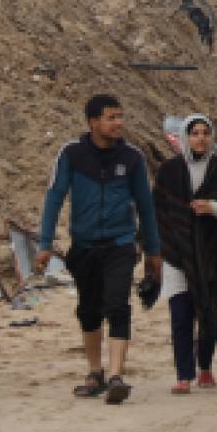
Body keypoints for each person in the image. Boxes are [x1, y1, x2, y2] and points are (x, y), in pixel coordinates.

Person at [37, 94, 163, 405]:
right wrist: (44, 244)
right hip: (84, 246)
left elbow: (146, 208)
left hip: (121, 244)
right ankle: (95, 372)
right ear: (93, 122)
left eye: (120, 117)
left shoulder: (132, 158)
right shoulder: (71, 155)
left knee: (117, 305)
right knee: (89, 309)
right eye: (111, 118)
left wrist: (153, 252)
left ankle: (117, 375)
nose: (118, 123)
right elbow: (54, 199)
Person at [153, 115, 217, 395]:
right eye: (194, 133)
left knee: (209, 313)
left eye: (205, 133)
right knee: (180, 313)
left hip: (213, 253)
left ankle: (205, 365)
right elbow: (158, 209)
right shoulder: (170, 170)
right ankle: (184, 374)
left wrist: (216, 208)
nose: (200, 138)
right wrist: (157, 249)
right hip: (177, 253)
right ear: (185, 137)